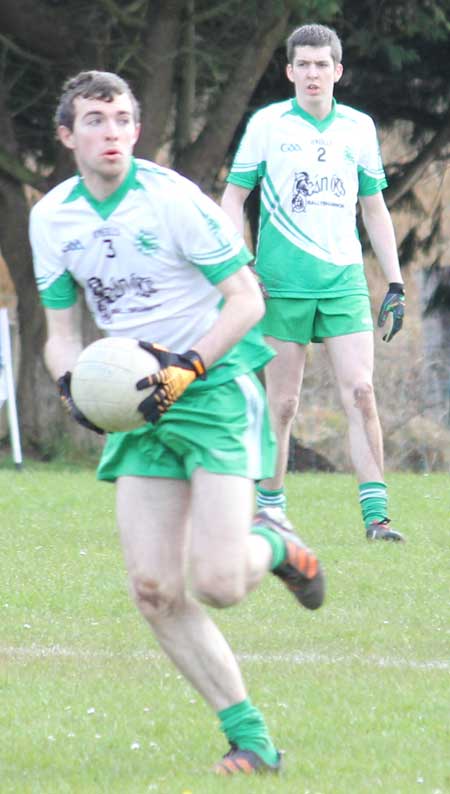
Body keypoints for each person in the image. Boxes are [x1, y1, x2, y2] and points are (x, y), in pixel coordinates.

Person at [29, 70, 325, 776]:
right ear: (67, 135)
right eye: (96, 120)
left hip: (213, 387)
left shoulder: (174, 203)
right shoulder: (53, 218)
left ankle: (278, 548)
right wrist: (72, 386)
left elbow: (247, 301)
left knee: (220, 583)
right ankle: (252, 740)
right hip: (139, 403)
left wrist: (186, 368)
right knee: (155, 590)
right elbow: (61, 331)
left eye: (125, 119)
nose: (113, 133)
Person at [222, 23, 405, 542]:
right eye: (302, 64)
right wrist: (241, 266)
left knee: (363, 393)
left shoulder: (359, 128)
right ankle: (270, 512)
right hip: (279, 283)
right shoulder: (267, 124)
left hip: (344, 280)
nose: (312, 73)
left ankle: (378, 520)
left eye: (321, 64)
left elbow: (374, 207)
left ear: (337, 72)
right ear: (289, 72)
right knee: (282, 404)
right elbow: (233, 199)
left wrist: (394, 283)